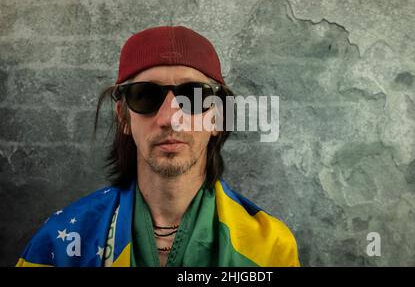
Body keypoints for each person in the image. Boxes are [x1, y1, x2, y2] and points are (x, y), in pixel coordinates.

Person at [16, 26, 300, 267]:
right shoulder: (60, 243)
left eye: (194, 96)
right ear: (123, 117)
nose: (169, 118)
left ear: (217, 118)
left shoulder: (269, 248)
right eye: (145, 96)